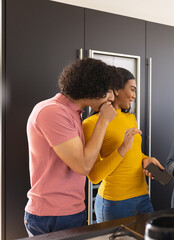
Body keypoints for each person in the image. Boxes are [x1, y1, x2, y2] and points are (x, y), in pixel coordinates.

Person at [24, 58, 118, 236]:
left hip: (71, 211)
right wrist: (103, 121)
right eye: (108, 91)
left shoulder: (71, 113)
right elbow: (82, 166)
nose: (112, 98)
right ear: (92, 88)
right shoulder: (53, 111)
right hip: (53, 215)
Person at [83, 67, 164, 222]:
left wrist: (145, 159)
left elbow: (133, 152)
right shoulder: (91, 124)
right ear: (116, 90)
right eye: (132, 89)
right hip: (115, 203)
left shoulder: (130, 118)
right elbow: (94, 176)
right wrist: (122, 148)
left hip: (143, 197)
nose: (134, 96)